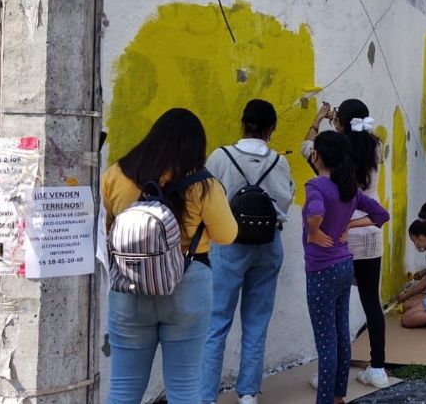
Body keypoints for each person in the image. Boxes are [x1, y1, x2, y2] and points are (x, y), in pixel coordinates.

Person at [102, 109, 238, 403]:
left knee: (123, 388)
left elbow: (109, 228)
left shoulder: (116, 175)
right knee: (185, 388)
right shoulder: (205, 186)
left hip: (128, 285)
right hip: (188, 286)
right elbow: (227, 235)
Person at [200, 100, 295, 404]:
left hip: (228, 244)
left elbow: (204, 195)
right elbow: (285, 201)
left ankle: (205, 396)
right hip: (268, 246)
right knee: (256, 321)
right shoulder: (279, 162)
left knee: (216, 323)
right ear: (271, 129)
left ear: (243, 123)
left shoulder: (220, 157)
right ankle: (248, 394)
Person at [303, 99, 390, 387]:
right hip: (370, 235)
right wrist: (339, 124)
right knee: (371, 302)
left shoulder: (337, 153)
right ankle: (377, 367)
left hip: (339, 233)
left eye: (338, 118)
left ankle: (330, 373)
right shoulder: (374, 146)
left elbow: (309, 150)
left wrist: (319, 120)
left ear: (342, 123)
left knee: (331, 311)